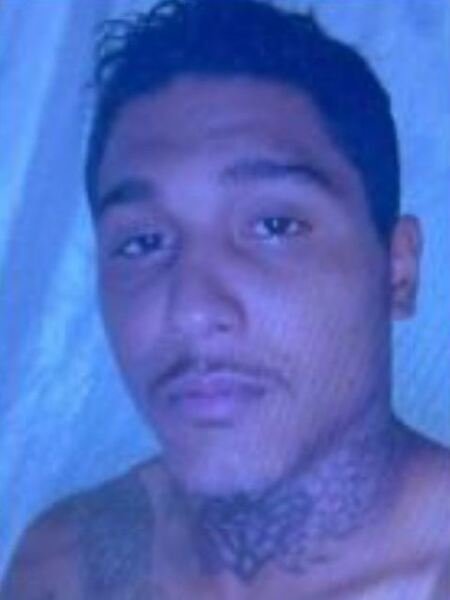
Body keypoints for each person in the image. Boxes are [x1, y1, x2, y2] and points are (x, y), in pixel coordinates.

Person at [2, 0, 449, 598]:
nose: (191, 309)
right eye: (143, 242)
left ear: (397, 271)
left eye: (275, 226)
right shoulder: (66, 568)